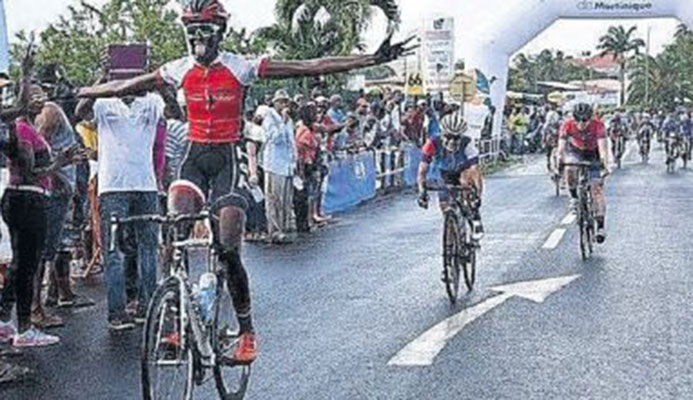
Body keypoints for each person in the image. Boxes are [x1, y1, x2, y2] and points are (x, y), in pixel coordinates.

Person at [77, 0, 415, 363]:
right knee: (174, 229)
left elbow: (309, 65)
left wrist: (369, 60)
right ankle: (176, 315)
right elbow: (125, 84)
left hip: (227, 162)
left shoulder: (241, 67)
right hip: (194, 160)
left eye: (204, 31)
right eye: (191, 32)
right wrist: (78, 93)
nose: (197, 39)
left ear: (219, 32)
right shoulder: (178, 69)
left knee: (228, 250)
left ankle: (247, 330)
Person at [76, 67, 166, 331]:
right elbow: (80, 113)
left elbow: (175, 113)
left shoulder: (151, 102)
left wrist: (158, 81)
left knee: (147, 247)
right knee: (113, 251)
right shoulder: (104, 101)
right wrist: (101, 79)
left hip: (146, 186)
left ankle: (146, 306)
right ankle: (117, 312)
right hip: (112, 186)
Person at [416, 111, 484, 241]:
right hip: (444, 172)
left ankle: (475, 218)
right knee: (445, 206)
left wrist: (477, 196)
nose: (452, 141)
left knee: (466, 183)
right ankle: (452, 235)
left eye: (456, 137)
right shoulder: (432, 143)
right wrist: (421, 192)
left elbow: (475, 171)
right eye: (449, 136)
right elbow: (422, 171)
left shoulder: (468, 143)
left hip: (463, 170)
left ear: (461, 136)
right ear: (442, 134)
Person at [557, 103, 609, 243]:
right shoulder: (567, 125)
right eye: (578, 120)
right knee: (570, 168)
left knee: (596, 189)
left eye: (585, 120)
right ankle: (574, 197)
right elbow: (561, 148)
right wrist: (559, 164)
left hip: (593, 154)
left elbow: (603, 148)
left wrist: (605, 165)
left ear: (590, 118)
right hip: (576, 152)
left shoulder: (598, 126)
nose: (581, 124)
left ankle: (600, 226)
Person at [262, 89, 297, 243]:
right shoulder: (270, 118)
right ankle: (275, 231)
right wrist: (282, 121)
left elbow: (291, 141)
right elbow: (275, 138)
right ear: (275, 103)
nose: (284, 104)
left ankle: (283, 227)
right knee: (274, 199)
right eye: (281, 101)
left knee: (285, 200)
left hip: (287, 165)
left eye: (285, 101)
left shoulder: (289, 120)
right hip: (274, 164)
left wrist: (294, 160)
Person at [295, 103, 321, 231]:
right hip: (306, 164)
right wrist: (300, 170)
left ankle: (311, 218)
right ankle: (307, 221)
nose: (316, 115)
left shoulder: (310, 129)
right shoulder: (304, 130)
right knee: (307, 193)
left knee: (312, 192)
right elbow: (300, 150)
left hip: (311, 162)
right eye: (313, 112)